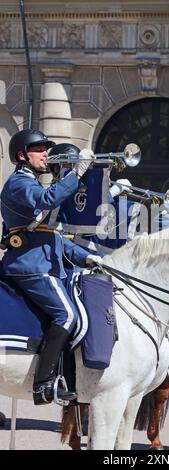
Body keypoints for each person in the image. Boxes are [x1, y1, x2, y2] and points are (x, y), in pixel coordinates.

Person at [0, 129, 103, 405]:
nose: (46, 153)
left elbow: (49, 236)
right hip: (30, 267)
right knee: (67, 316)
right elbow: (47, 200)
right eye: (40, 149)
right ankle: (43, 384)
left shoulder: (32, 183)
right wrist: (76, 173)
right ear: (22, 155)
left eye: (47, 148)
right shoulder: (19, 183)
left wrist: (86, 258)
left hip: (42, 263)